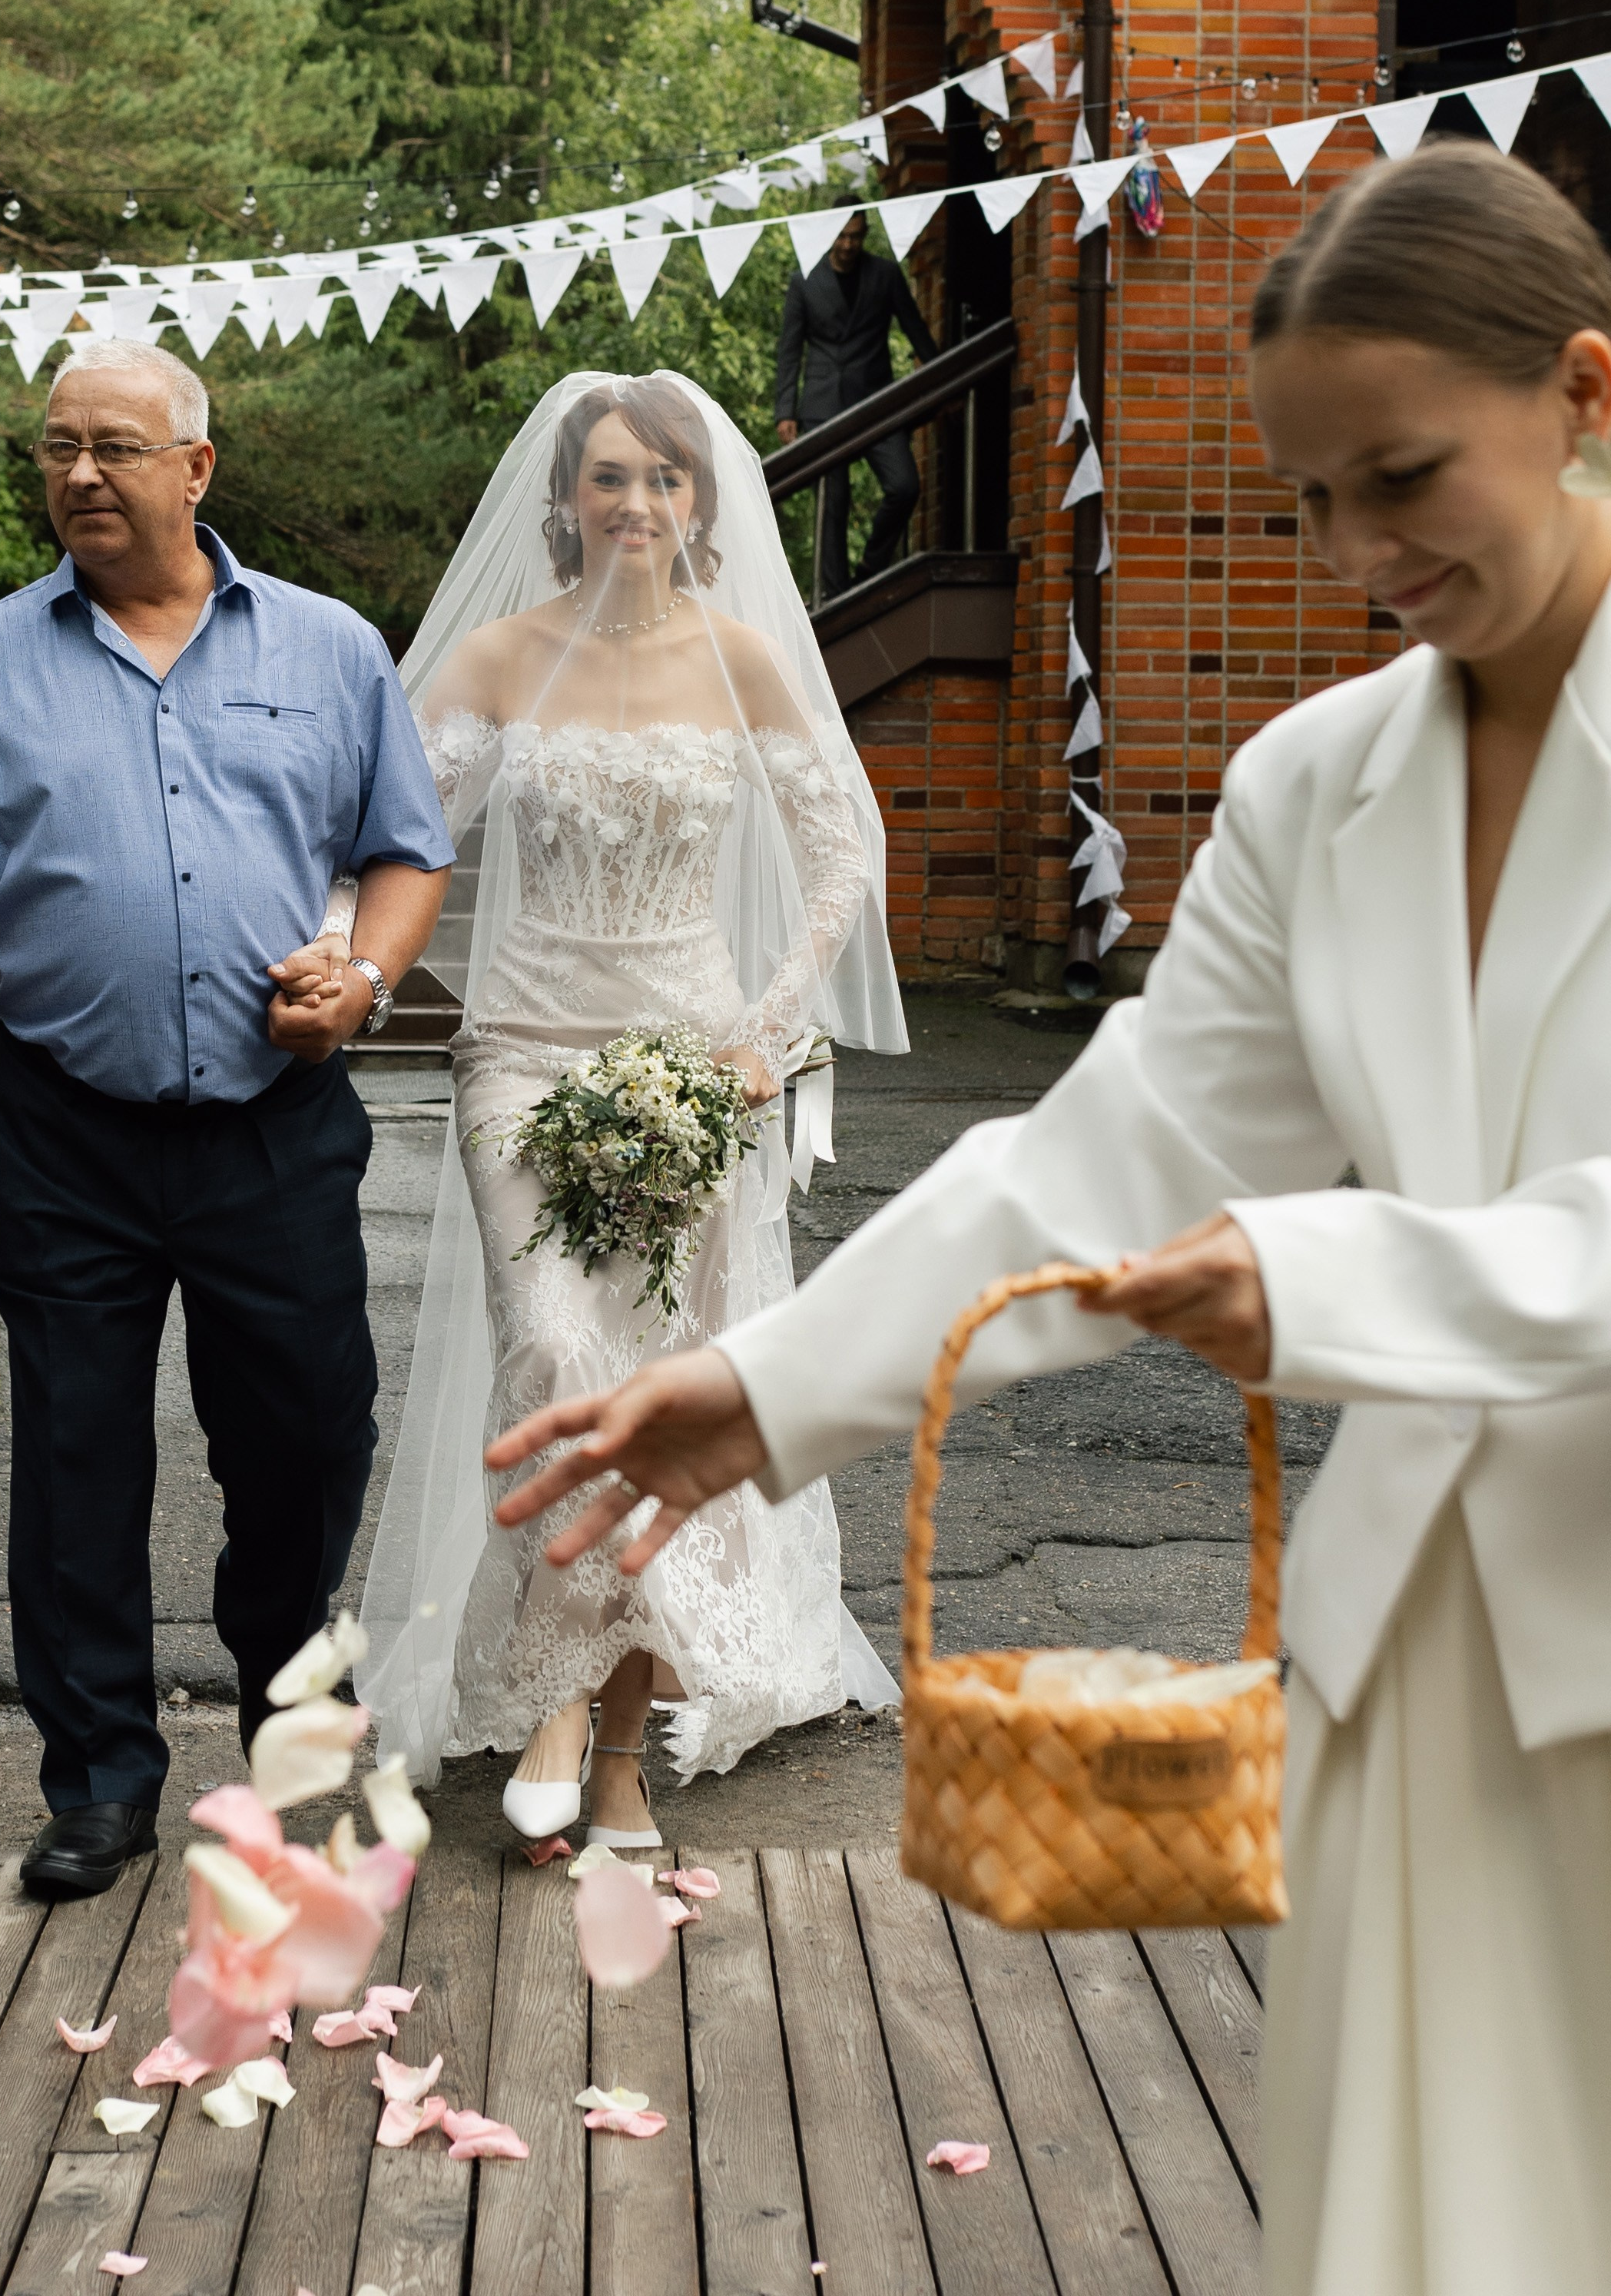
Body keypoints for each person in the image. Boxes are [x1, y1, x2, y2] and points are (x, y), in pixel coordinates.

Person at [487, 148, 1611, 2295]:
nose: (1361, 554)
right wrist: (771, 1381)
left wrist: (1333, 1275)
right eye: (1308, 503)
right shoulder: (1312, 783)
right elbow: (1115, 1151)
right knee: (1426, 2239)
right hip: (1421, 1658)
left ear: (1583, 391)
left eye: (1403, 478)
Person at [0, 338, 452, 1900]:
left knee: (309, 1442)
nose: (79, 475)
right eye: (57, 447)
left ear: (197, 468)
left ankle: (282, 1720)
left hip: (276, 1124)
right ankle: (101, 1777)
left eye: (115, 446)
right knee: (76, 1457)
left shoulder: (328, 651)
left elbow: (405, 854)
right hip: (63, 1128)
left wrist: (367, 976)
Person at [309, 372, 905, 1846]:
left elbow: (845, 856)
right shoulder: (501, 660)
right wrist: (335, 951)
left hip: (691, 1073)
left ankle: (616, 1743)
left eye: (664, 478)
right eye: (610, 476)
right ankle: (557, 1701)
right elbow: (387, 844)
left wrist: (759, 1040)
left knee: (655, 1391)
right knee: (558, 1352)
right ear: (565, 500)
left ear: (699, 504)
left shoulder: (746, 661)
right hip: (519, 1055)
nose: (636, 501)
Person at [775, 208, 936, 600]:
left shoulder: (884, 274)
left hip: (876, 402)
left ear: (864, 236)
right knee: (834, 501)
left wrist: (938, 377)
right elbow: (789, 351)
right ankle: (834, 593)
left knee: (904, 485)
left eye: (856, 236)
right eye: (842, 236)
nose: (848, 244)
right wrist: (786, 411)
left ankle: (871, 568)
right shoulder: (806, 279)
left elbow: (916, 330)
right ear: (830, 233)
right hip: (822, 405)